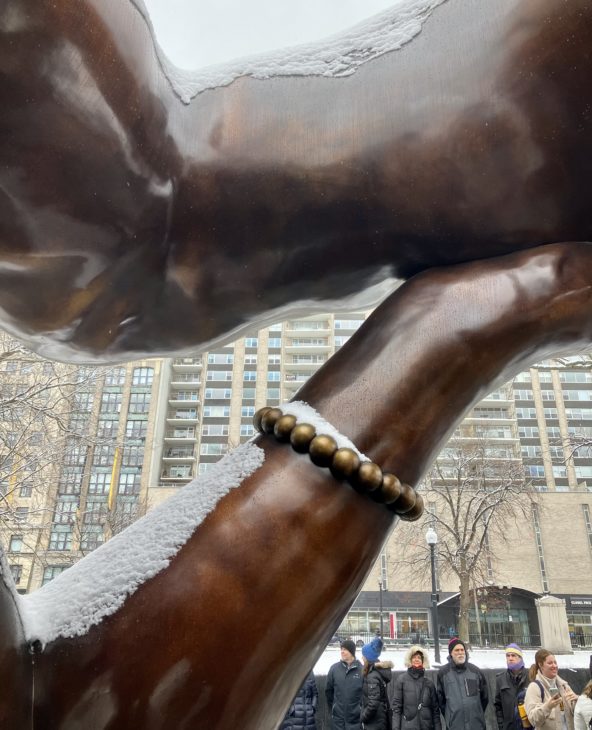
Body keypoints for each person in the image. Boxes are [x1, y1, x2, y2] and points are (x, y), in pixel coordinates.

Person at [437, 638, 488, 730]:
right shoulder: (443, 673)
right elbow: (441, 701)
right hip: (455, 725)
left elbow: (484, 698)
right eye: (457, 650)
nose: (460, 652)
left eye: (462, 650)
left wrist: (477, 714)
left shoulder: (475, 671)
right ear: (451, 653)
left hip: (476, 725)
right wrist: (451, 717)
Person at [524, 649, 578, 730]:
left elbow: (577, 712)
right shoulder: (534, 687)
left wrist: (577, 700)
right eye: (550, 663)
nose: (554, 666)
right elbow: (533, 719)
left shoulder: (564, 686)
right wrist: (548, 706)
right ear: (541, 665)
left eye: (555, 662)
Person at [392, 644, 441, 730]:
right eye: (414, 657)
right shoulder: (401, 680)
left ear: (423, 661)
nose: (416, 659)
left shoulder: (429, 684)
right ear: (410, 660)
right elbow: (397, 708)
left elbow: (435, 711)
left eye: (419, 657)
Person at [326, 640, 364, 730]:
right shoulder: (334, 669)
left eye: (345, 649)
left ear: (351, 652)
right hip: (338, 720)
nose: (342, 651)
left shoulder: (361, 670)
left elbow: (365, 694)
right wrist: (334, 709)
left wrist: (359, 710)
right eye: (341, 649)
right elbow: (328, 691)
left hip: (355, 720)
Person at [494, 643, 529, 730]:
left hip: (528, 726)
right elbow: (498, 706)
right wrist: (502, 726)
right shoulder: (500, 679)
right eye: (508, 656)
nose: (510, 658)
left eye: (513, 655)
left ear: (520, 658)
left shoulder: (530, 676)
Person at [361, 637, 393, 730]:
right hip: (379, 719)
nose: (362, 657)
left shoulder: (372, 676)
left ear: (368, 658)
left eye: (363, 655)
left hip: (374, 722)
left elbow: (373, 703)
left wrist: (363, 718)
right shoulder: (377, 672)